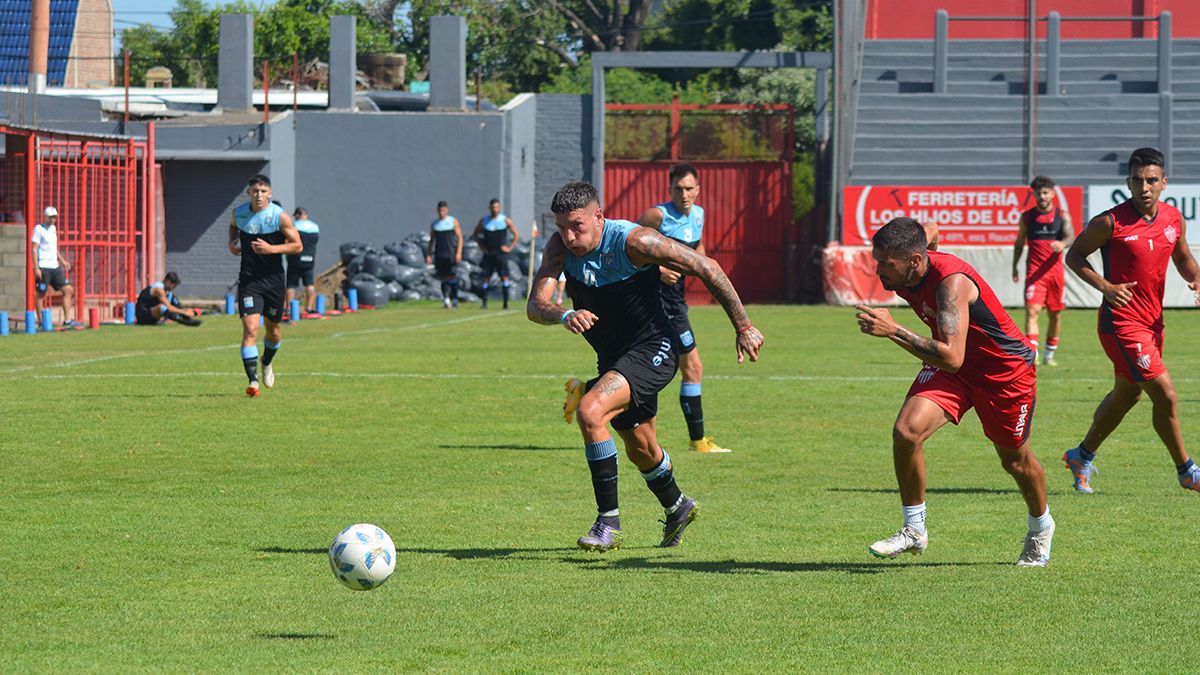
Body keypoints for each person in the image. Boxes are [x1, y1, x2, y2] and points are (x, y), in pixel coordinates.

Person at [530, 181, 763, 552]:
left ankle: (608, 523)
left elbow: (707, 267)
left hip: (654, 349)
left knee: (590, 411)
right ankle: (678, 506)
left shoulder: (634, 242)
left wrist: (744, 327)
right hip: (613, 358)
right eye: (561, 227)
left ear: (599, 217)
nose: (569, 236)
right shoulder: (560, 249)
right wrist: (564, 314)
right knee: (642, 449)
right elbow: (535, 306)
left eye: (577, 226)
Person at [855, 217, 1054, 567]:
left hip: (1003, 373)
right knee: (906, 432)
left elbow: (951, 355)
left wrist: (892, 329)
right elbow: (929, 228)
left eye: (887, 264)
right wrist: (927, 237)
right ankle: (915, 529)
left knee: (1015, 461)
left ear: (914, 262)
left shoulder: (952, 285)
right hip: (956, 371)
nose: (879, 270)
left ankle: (1041, 528)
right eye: (877, 261)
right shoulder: (913, 260)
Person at [1062, 147, 1200, 494]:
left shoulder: (1172, 219)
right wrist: (1105, 286)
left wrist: (1196, 278)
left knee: (1128, 395)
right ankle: (1187, 471)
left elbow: (1183, 258)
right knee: (1165, 395)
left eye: (1151, 180)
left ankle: (1082, 455)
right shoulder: (1110, 222)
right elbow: (1074, 255)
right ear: (1128, 182)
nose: (1144, 187)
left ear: (1164, 182)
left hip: (1154, 324)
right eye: (1137, 180)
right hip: (1120, 323)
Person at [638, 163, 729, 453]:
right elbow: (629, 249)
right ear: (669, 190)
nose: (684, 194)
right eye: (678, 189)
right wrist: (659, 269)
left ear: (698, 190)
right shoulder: (657, 216)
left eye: (689, 188)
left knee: (652, 367)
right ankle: (698, 441)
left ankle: (586, 391)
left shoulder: (699, 215)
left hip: (677, 300)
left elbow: (698, 247)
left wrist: (703, 266)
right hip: (656, 300)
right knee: (692, 367)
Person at [228, 174, 302, 398]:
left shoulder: (279, 217)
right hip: (250, 280)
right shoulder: (239, 213)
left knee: (274, 332)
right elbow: (233, 227)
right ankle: (252, 381)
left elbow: (297, 245)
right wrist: (231, 243)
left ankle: (267, 362)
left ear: (269, 194)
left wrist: (272, 250)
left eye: (263, 191)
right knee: (250, 329)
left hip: (274, 281)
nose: (258, 195)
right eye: (254, 191)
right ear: (248, 193)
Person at [1011, 175, 1074, 366]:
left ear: (1052, 194)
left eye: (1045, 193)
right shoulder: (1027, 217)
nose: (1042, 196)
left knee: (1055, 314)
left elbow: (1071, 236)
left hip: (1055, 274)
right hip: (1034, 273)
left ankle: (1049, 354)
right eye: (1038, 193)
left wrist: (1062, 243)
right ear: (1034, 195)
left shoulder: (1062, 216)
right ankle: (1033, 354)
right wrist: (1014, 265)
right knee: (1032, 311)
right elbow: (1020, 243)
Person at [31, 206, 79, 329]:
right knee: (41, 294)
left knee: (68, 290)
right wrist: (36, 267)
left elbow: (53, 248)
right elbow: (34, 249)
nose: (53, 219)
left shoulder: (53, 229)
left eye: (55, 217)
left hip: (55, 267)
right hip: (43, 267)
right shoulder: (38, 229)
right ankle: (42, 322)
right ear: (45, 217)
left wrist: (62, 260)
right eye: (51, 217)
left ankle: (67, 320)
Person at [473, 198, 520, 309]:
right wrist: (481, 246)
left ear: (499, 208)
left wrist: (509, 247)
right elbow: (476, 233)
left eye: (497, 207)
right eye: (493, 207)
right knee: (485, 278)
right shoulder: (484, 221)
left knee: (504, 277)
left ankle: (505, 304)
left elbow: (516, 235)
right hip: (489, 254)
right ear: (490, 208)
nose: (495, 209)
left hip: (501, 254)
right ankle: (484, 303)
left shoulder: (505, 220)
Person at [425, 201, 462, 309]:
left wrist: (458, 252)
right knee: (443, 277)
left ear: (447, 210)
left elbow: (460, 238)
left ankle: (455, 298)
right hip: (440, 254)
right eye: (440, 211)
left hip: (451, 254)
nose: (442, 213)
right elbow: (432, 240)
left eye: (444, 211)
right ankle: (446, 300)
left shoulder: (453, 222)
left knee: (452, 276)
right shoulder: (435, 224)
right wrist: (429, 254)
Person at [286, 207, 321, 315]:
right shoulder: (315, 227)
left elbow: (288, 241)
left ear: (297, 215)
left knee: (291, 285)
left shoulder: (294, 226)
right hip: (310, 259)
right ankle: (309, 308)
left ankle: (288, 309)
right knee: (310, 284)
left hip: (295, 259)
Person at [134, 272, 201, 326]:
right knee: (162, 307)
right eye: (174, 285)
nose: (175, 287)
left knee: (167, 305)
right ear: (168, 282)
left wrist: (187, 310)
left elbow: (176, 306)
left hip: (151, 314)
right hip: (142, 317)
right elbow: (168, 307)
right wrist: (184, 312)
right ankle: (184, 322)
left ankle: (188, 319)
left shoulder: (167, 291)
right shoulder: (159, 289)